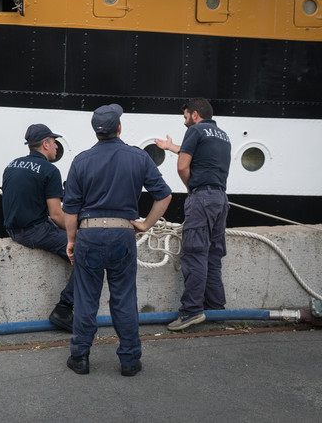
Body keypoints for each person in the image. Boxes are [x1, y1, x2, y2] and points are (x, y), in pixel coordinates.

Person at [63, 104, 172, 377]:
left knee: (86, 299)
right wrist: (146, 224)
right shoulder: (138, 157)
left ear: (95, 131)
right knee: (123, 298)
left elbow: (70, 209)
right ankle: (129, 361)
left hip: (88, 234)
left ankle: (80, 358)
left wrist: (71, 240)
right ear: (119, 128)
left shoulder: (81, 160)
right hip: (122, 234)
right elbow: (165, 195)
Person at [155, 97, 231, 332]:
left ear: (195, 114)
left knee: (194, 255)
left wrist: (191, 189)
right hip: (221, 199)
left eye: (186, 114)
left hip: (203, 198)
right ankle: (216, 311)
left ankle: (191, 312)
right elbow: (198, 154)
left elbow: (182, 166)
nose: (184, 119)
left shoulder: (195, 131)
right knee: (212, 256)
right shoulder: (222, 135)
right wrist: (170, 147)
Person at [1, 123, 75, 332]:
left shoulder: (12, 164)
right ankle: (63, 309)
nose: (57, 147)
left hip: (13, 230)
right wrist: (76, 234)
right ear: (45, 144)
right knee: (90, 255)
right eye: (54, 143)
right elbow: (56, 214)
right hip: (34, 231)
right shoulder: (50, 171)